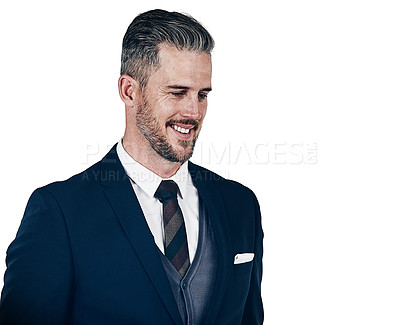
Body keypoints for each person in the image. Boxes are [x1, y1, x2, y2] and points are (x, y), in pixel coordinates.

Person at [0, 9, 263, 325]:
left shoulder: (240, 204)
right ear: (129, 91)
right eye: (178, 92)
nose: (194, 111)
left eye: (202, 94)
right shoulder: (60, 212)